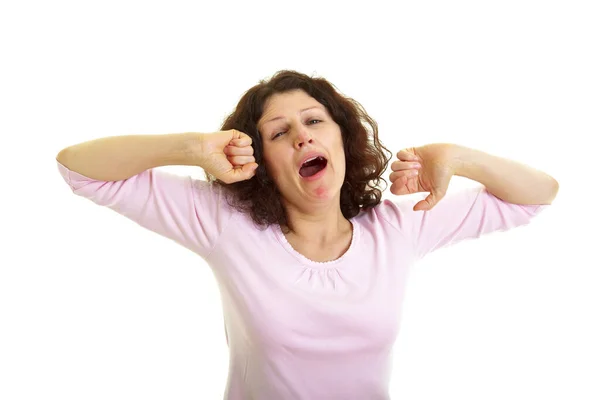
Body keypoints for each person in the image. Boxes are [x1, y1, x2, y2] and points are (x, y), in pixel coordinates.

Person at [55, 70, 559, 399]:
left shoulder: (399, 227)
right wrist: (192, 146)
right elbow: (80, 169)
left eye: (315, 121)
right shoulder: (225, 222)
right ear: (262, 160)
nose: (302, 135)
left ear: (342, 137)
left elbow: (537, 195)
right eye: (278, 133)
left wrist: (457, 156)